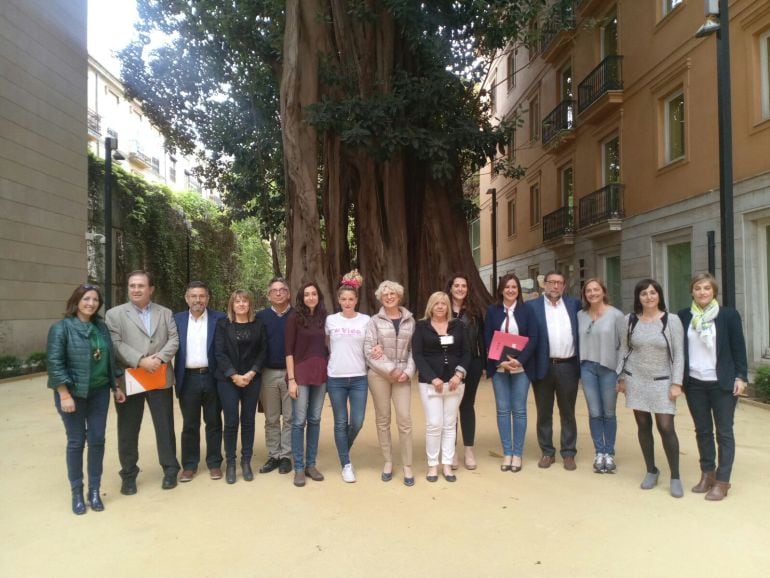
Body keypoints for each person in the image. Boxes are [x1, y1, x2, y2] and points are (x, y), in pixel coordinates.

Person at [47, 284, 126, 514]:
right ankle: (77, 492)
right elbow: (54, 364)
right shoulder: (61, 328)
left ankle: (94, 490)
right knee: (76, 442)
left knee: (97, 439)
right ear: (77, 301)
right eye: (86, 299)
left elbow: (109, 361)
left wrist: (116, 387)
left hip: (99, 393)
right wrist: (64, 395)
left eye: (95, 300)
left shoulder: (100, 327)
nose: (91, 303)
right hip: (73, 394)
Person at [106, 270, 180, 494]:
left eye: (140, 286)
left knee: (165, 426)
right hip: (130, 378)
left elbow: (174, 339)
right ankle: (128, 474)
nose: (136, 290)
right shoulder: (115, 314)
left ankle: (169, 469)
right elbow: (115, 343)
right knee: (128, 428)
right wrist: (140, 360)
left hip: (159, 376)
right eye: (132, 286)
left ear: (151, 289)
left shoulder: (165, 313)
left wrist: (157, 358)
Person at [678, 273, 748, 500]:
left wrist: (741, 376)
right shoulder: (684, 316)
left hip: (723, 383)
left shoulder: (728, 315)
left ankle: (723, 480)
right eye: (698, 288)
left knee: (724, 432)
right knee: (703, 431)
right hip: (695, 383)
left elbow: (739, 348)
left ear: (714, 291)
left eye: (706, 288)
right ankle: (707, 474)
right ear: (692, 291)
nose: (702, 292)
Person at [617, 278, 685, 498]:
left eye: (653, 293)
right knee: (643, 426)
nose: (649, 297)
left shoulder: (671, 320)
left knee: (666, 427)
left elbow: (679, 354)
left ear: (659, 296)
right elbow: (624, 350)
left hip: (663, 381)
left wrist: (677, 383)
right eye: (644, 293)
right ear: (638, 297)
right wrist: (621, 377)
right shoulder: (630, 321)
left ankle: (675, 476)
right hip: (636, 379)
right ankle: (651, 470)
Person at [524, 270, 581, 470]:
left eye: (559, 282)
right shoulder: (531, 307)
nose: (555, 286)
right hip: (543, 366)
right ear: (543, 284)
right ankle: (547, 452)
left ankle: (568, 452)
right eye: (551, 282)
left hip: (568, 366)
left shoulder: (574, 305)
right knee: (544, 412)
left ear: (564, 286)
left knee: (568, 412)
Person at [412, 291, 471, 483]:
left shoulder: (458, 326)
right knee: (434, 424)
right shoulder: (421, 326)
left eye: (443, 304)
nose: (440, 307)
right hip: (431, 384)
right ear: (430, 306)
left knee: (449, 423)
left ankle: (446, 464)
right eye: (436, 303)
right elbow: (418, 355)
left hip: (454, 383)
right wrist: (432, 378)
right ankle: (432, 465)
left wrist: (459, 374)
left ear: (448, 307)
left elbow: (466, 352)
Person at [364, 280, 417, 486]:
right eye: (384, 294)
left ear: (399, 296)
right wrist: (390, 369)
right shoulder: (374, 321)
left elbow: (414, 350)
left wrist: (408, 372)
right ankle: (388, 461)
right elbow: (369, 350)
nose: (388, 296)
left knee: (404, 419)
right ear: (380, 297)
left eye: (392, 293)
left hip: (403, 375)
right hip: (379, 376)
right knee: (383, 419)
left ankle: (408, 465)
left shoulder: (410, 321)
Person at [483, 273, 538, 473]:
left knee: (520, 410)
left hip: (521, 368)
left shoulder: (527, 310)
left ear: (518, 290)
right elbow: (488, 338)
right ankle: (507, 452)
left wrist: (519, 361)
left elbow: (533, 338)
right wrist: (500, 362)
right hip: (499, 369)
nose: (511, 290)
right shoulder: (492, 311)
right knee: (503, 410)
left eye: (514, 287)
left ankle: (517, 453)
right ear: (501, 290)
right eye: (507, 287)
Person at [173, 281, 226, 483]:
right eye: (193, 296)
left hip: (213, 377)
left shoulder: (219, 318)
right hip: (187, 378)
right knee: (190, 424)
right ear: (187, 298)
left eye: (202, 296)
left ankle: (214, 463)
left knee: (213, 422)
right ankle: (189, 465)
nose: (198, 300)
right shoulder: (176, 320)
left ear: (207, 298)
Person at [214, 289, 267, 484]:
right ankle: (230, 463)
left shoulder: (258, 325)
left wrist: (251, 373)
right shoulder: (223, 324)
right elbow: (219, 352)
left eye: (245, 301)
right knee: (230, 421)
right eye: (237, 301)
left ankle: (246, 461)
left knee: (248, 421)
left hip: (252, 378)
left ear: (250, 304)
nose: (241, 304)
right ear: (232, 305)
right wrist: (234, 375)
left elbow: (263, 351)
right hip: (228, 380)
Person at [325, 271, 370, 483]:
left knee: (358, 421)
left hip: (359, 377)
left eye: (351, 299)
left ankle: (343, 448)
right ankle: (346, 463)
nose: (347, 302)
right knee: (340, 422)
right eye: (343, 299)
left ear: (357, 300)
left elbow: (371, 346)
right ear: (338, 300)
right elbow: (324, 345)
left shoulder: (366, 320)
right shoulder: (330, 320)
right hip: (336, 378)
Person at [577, 278, 625, 474]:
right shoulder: (580, 315)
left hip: (609, 369)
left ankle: (609, 453)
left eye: (596, 290)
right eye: (588, 290)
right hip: (587, 368)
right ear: (585, 294)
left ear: (603, 292)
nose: (592, 293)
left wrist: (621, 373)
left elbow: (624, 345)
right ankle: (599, 452)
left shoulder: (616, 315)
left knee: (609, 413)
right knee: (594, 412)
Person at [285, 282, 329, 487]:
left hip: (321, 374)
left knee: (315, 419)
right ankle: (299, 467)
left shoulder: (324, 318)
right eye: (306, 294)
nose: (311, 297)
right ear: (301, 298)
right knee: (299, 420)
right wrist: (291, 380)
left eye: (314, 294)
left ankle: (311, 464)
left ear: (319, 296)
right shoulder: (294, 318)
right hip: (300, 374)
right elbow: (288, 351)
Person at [445, 273, 487, 470]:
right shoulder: (442, 309)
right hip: (449, 365)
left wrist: (485, 364)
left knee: (467, 405)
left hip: (473, 364)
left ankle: (468, 450)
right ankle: (450, 450)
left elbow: (481, 340)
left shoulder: (475, 312)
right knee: (451, 407)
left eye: (464, 286)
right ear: (450, 288)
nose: (460, 289)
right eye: (457, 285)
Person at [256, 277, 293, 475]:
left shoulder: (296, 316)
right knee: (271, 418)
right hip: (267, 373)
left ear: (288, 294)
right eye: (274, 290)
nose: (278, 293)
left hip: (291, 374)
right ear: (269, 295)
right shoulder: (260, 317)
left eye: (282, 290)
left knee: (289, 417)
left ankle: (286, 455)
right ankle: (274, 454)